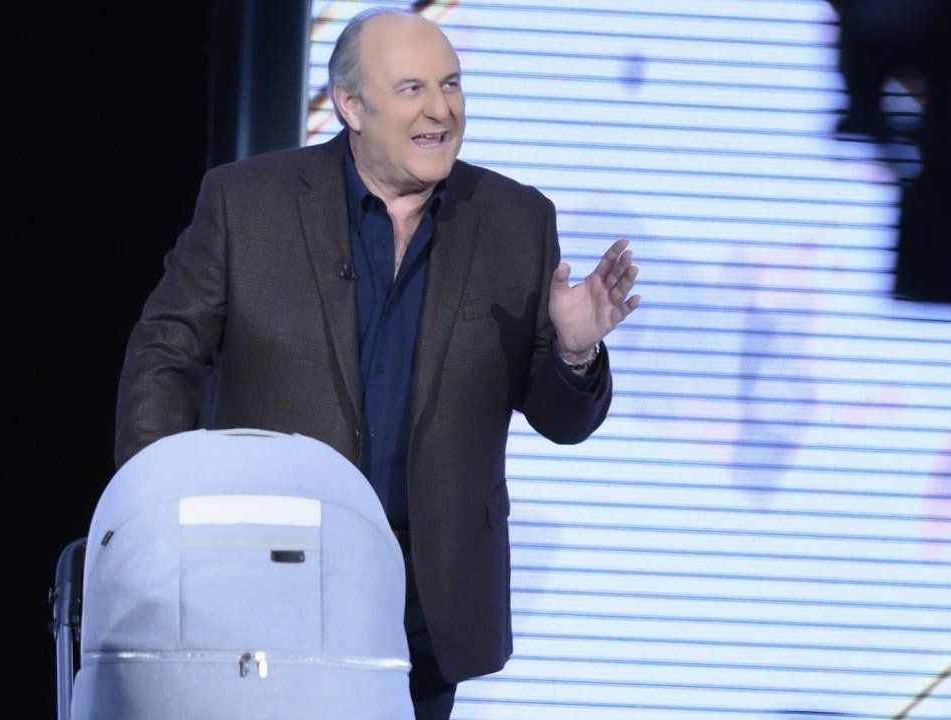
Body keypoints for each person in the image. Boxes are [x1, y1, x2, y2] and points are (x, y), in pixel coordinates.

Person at [114, 9, 639, 719]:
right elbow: (166, 354)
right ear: (351, 106)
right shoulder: (248, 202)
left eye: (451, 84)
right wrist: (156, 513)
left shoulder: (515, 221)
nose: (440, 110)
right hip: (264, 576)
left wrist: (575, 349)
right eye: (412, 88)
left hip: (428, 596)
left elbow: (560, 419)